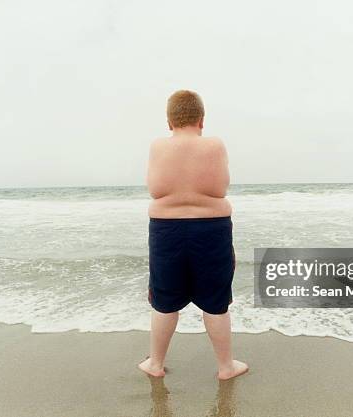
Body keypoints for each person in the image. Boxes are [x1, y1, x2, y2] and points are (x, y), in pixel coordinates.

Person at [138, 90, 249, 380]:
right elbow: (221, 187)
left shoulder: (158, 147)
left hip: (166, 231)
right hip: (212, 229)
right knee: (216, 302)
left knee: (163, 300)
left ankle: (155, 364)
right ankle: (226, 367)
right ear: (201, 120)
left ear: (169, 121)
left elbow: (154, 188)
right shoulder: (214, 146)